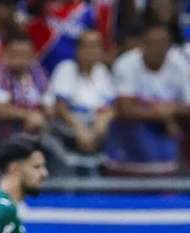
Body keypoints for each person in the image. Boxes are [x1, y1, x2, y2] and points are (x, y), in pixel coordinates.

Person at [106, 22, 190, 176]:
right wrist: (162, 115)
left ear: (169, 45)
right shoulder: (126, 63)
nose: (158, 49)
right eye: (153, 43)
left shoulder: (179, 63)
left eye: (162, 43)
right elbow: (125, 109)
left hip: (172, 125)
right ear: (142, 45)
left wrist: (170, 111)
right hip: (134, 129)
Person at [47, 29, 115, 176]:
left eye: (97, 46)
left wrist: (100, 125)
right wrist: (80, 130)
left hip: (94, 140)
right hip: (68, 139)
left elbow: (110, 107)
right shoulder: (66, 69)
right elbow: (60, 107)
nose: (93, 51)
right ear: (78, 49)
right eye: (88, 46)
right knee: (67, 188)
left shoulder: (102, 72)